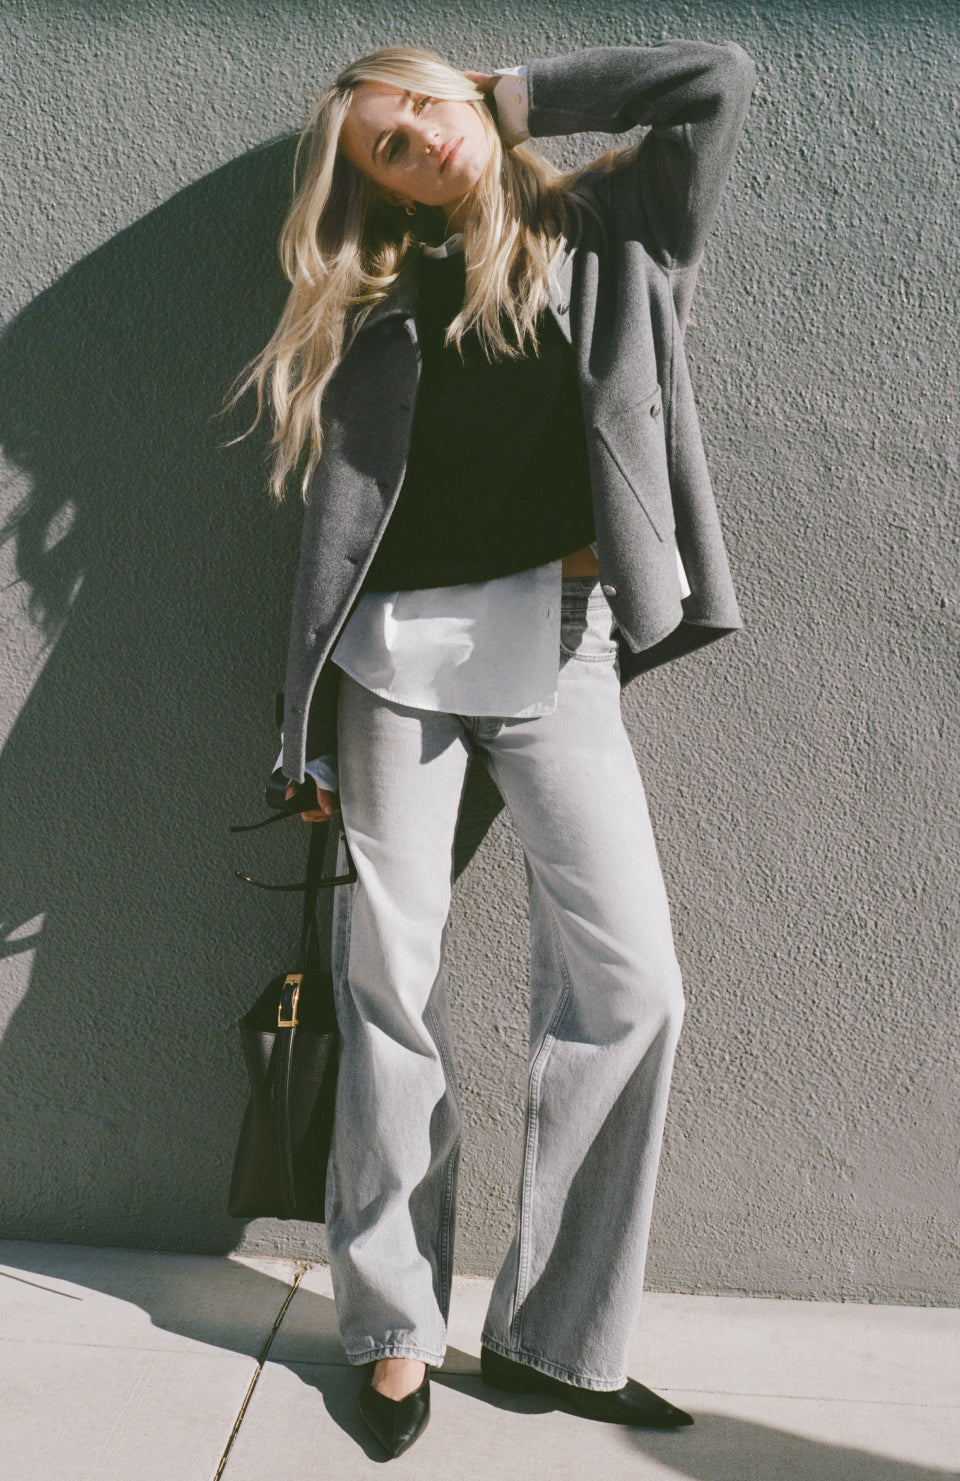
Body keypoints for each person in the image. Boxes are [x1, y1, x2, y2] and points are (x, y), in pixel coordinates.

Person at [240, 34, 754, 1458]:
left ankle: (554, 1339)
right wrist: (302, 730)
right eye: (384, 149)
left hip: (563, 643)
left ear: (460, 86)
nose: (415, 144)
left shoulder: (612, 225)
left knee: (632, 982)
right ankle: (393, 1331)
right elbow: (332, 536)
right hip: (389, 668)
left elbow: (713, 78)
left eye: (418, 110)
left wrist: (508, 101)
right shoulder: (377, 290)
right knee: (387, 983)